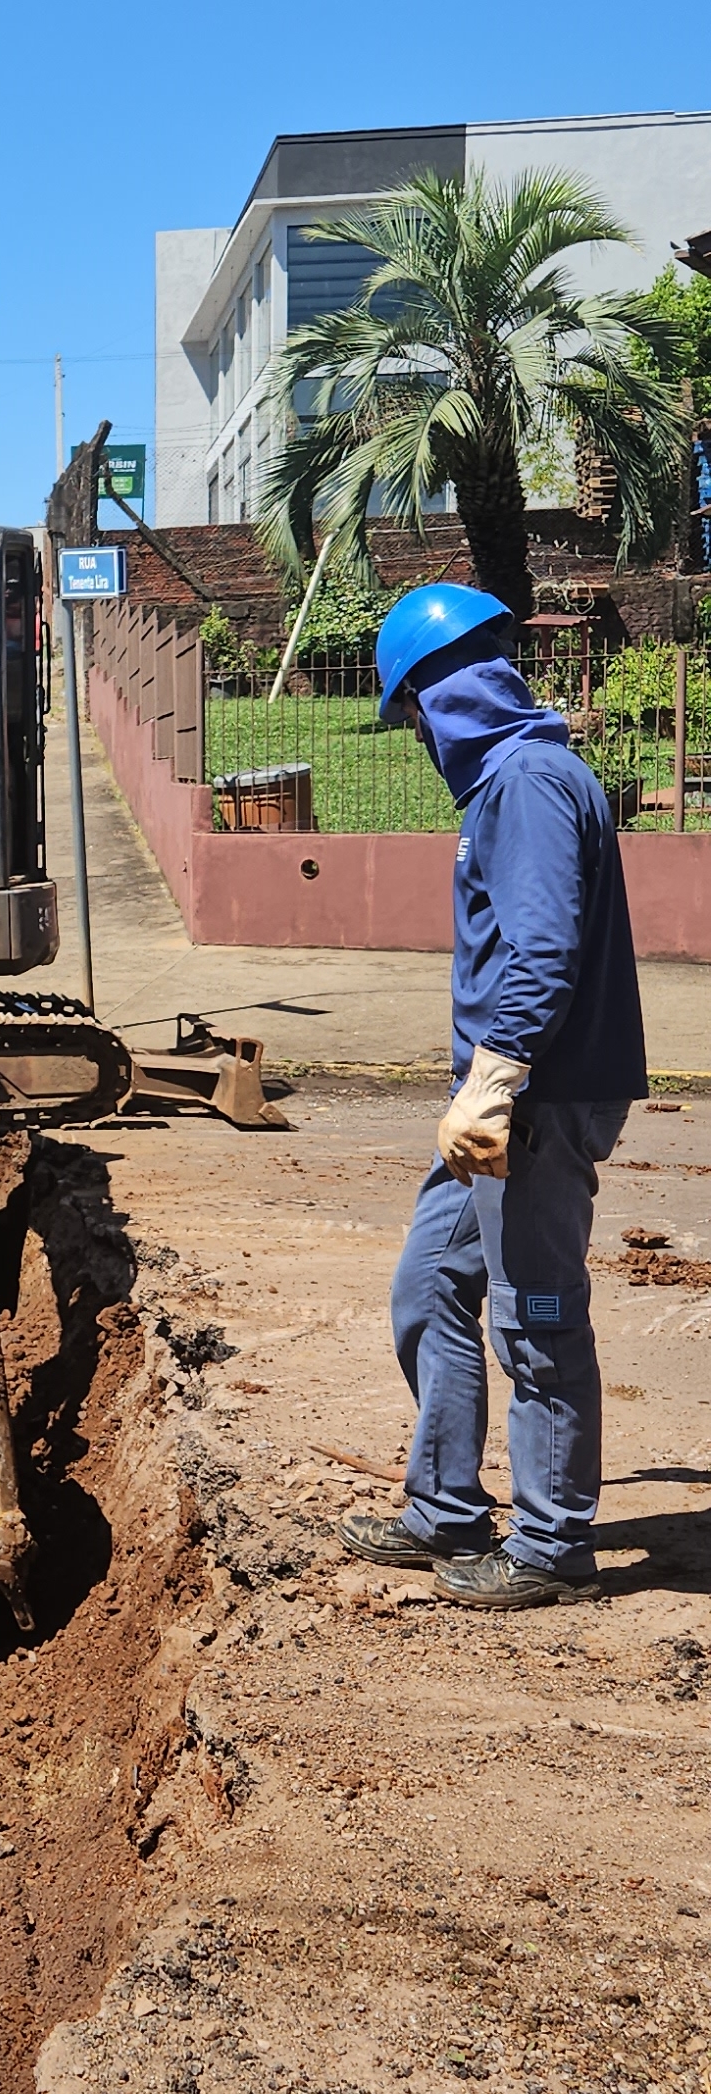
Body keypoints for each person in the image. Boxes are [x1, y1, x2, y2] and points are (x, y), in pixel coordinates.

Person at [337, 583, 646, 1610]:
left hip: (530, 1101)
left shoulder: (524, 784)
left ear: (441, 692)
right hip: (492, 1099)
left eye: (411, 712)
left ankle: (552, 1544)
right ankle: (443, 1507)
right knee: (428, 1283)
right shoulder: (511, 785)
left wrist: (498, 1072)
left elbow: (543, 948)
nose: (415, 736)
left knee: (535, 1317)